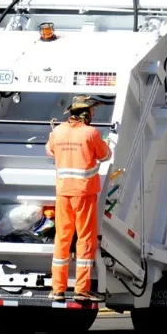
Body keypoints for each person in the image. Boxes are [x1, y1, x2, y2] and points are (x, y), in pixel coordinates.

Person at [45, 95, 112, 302]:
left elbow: (50, 152)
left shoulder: (57, 132)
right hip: (83, 194)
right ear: (85, 116)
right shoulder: (91, 133)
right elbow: (105, 156)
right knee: (85, 239)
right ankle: (81, 288)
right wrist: (105, 143)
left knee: (62, 239)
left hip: (63, 193)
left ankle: (57, 289)